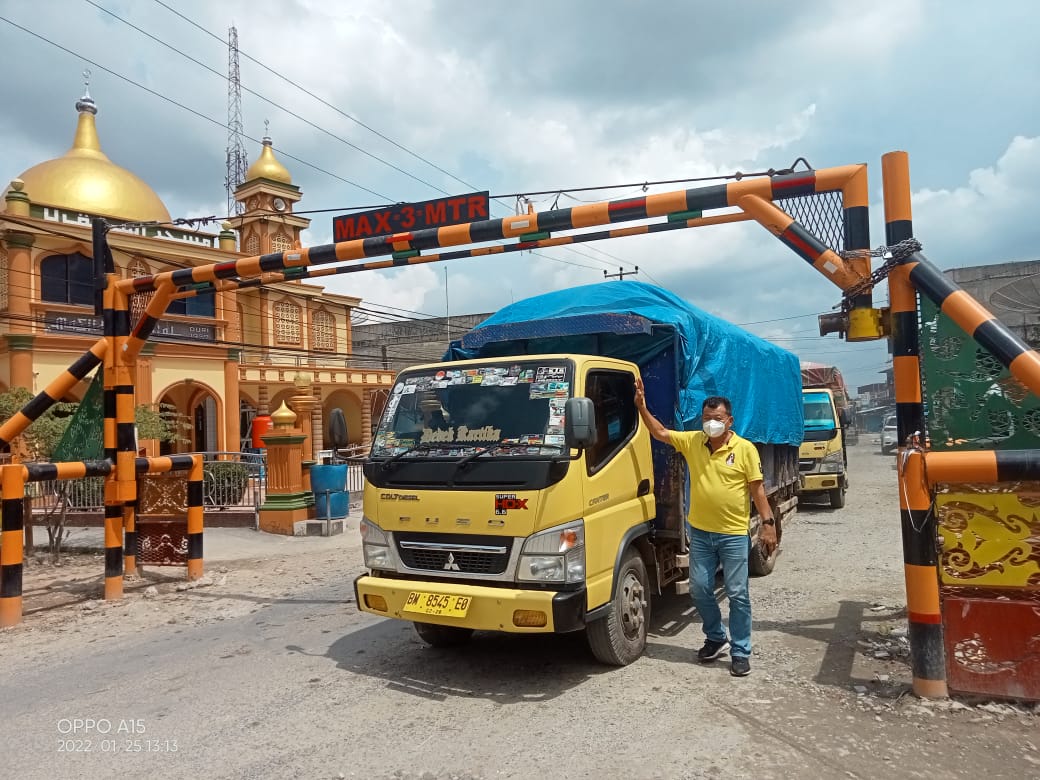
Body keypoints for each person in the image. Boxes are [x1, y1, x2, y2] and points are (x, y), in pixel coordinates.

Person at [634, 377, 777, 677]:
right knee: (699, 589)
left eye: (717, 419)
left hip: (733, 534)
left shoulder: (745, 449)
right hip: (699, 533)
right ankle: (716, 637)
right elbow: (659, 432)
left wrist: (767, 524)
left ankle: (740, 650)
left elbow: (758, 490)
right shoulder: (693, 442)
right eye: (707, 419)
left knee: (738, 594)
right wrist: (641, 406)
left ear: (729, 420)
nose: (711, 424)